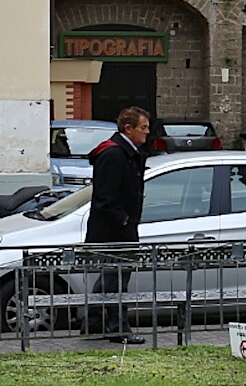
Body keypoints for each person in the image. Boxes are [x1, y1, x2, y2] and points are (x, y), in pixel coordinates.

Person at [84, 106, 149, 344]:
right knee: (116, 282)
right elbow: (105, 198)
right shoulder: (113, 155)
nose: (147, 133)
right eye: (143, 128)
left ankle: (92, 324)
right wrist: (124, 220)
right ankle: (118, 330)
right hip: (114, 232)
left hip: (122, 228)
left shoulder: (129, 153)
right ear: (128, 129)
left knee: (110, 280)